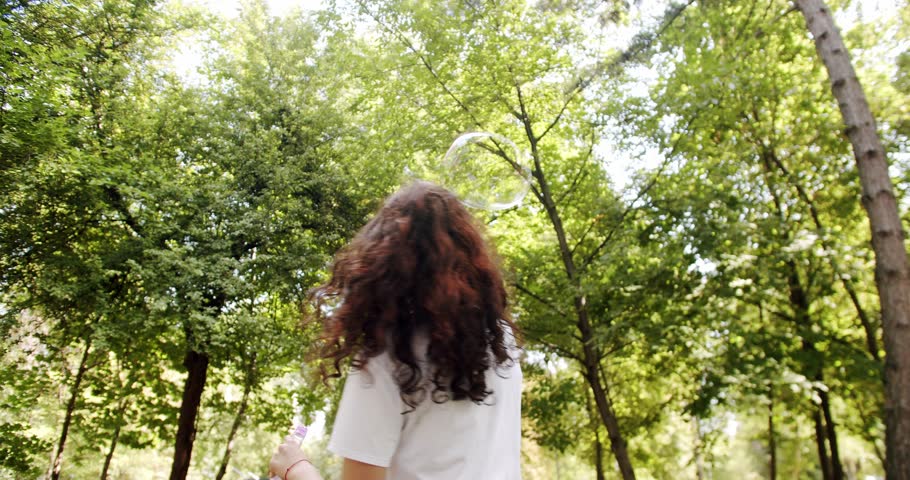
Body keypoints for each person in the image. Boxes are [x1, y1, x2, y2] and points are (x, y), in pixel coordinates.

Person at [269, 181, 522, 480]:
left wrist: (296, 469)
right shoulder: (500, 341)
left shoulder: (387, 355)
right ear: (468, 254)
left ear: (381, 260)